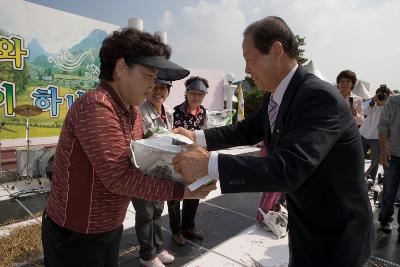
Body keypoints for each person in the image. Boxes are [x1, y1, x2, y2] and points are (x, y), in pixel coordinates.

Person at [172, 16, 373, 267]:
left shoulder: (319, 97)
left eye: (248, 58)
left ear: (276, 51)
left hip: (336, 234)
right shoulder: (275, 95)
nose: (246, 69)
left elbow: (288, 168)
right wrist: (196, 136)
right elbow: (246, 130)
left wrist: (209, 164)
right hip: (306, 225)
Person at [41, 28, 215, 267]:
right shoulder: (97, 107)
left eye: (155, 78)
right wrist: (182, 191)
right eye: (148, 75)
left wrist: (175, 148)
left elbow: (141, 156)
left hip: (110, 225)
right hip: (76, 232)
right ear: (121, 67)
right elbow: (118, 178)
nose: (153, 85)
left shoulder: (130, 111)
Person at [132, 79, 175, 267]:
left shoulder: (168, 113)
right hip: (142, 171)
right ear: (147, 88)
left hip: (161, 170)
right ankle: (147, 255)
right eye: (154, 86)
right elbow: (137, 143)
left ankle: (158, 247)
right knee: (145, 213)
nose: (159, 91)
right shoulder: (139, 111)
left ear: (169, 90)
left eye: (163, 87)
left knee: (157, 210)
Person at [167, 76, 208, 246]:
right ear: (186, 93)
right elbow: (171, 137)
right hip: (178, 159)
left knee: (194, 193)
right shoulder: (175, 112)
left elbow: (205, 134)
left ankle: (188, 227)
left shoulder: (203, 112)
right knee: (175, 196)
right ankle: (176, 231)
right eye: (193, 93)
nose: (196, 97)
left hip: (196, 160)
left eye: (200, 94)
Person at [377, 91, 400, 234]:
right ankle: (385, 220)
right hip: (393, 154)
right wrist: (384, 149)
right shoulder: (392, 102)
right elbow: (383, 126)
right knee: (389, 192)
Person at [359, 85, 391, 183]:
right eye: (379, 95)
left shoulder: (388, 108)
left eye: (383, 96)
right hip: (363, 134)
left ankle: (370, 180)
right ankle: (357, 176)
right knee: (359, 157)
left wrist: (387, 102)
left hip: (376, 138)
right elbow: (364, 112)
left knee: (374, 162)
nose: (381, 97)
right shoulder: (372, 104)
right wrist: (372, 101)